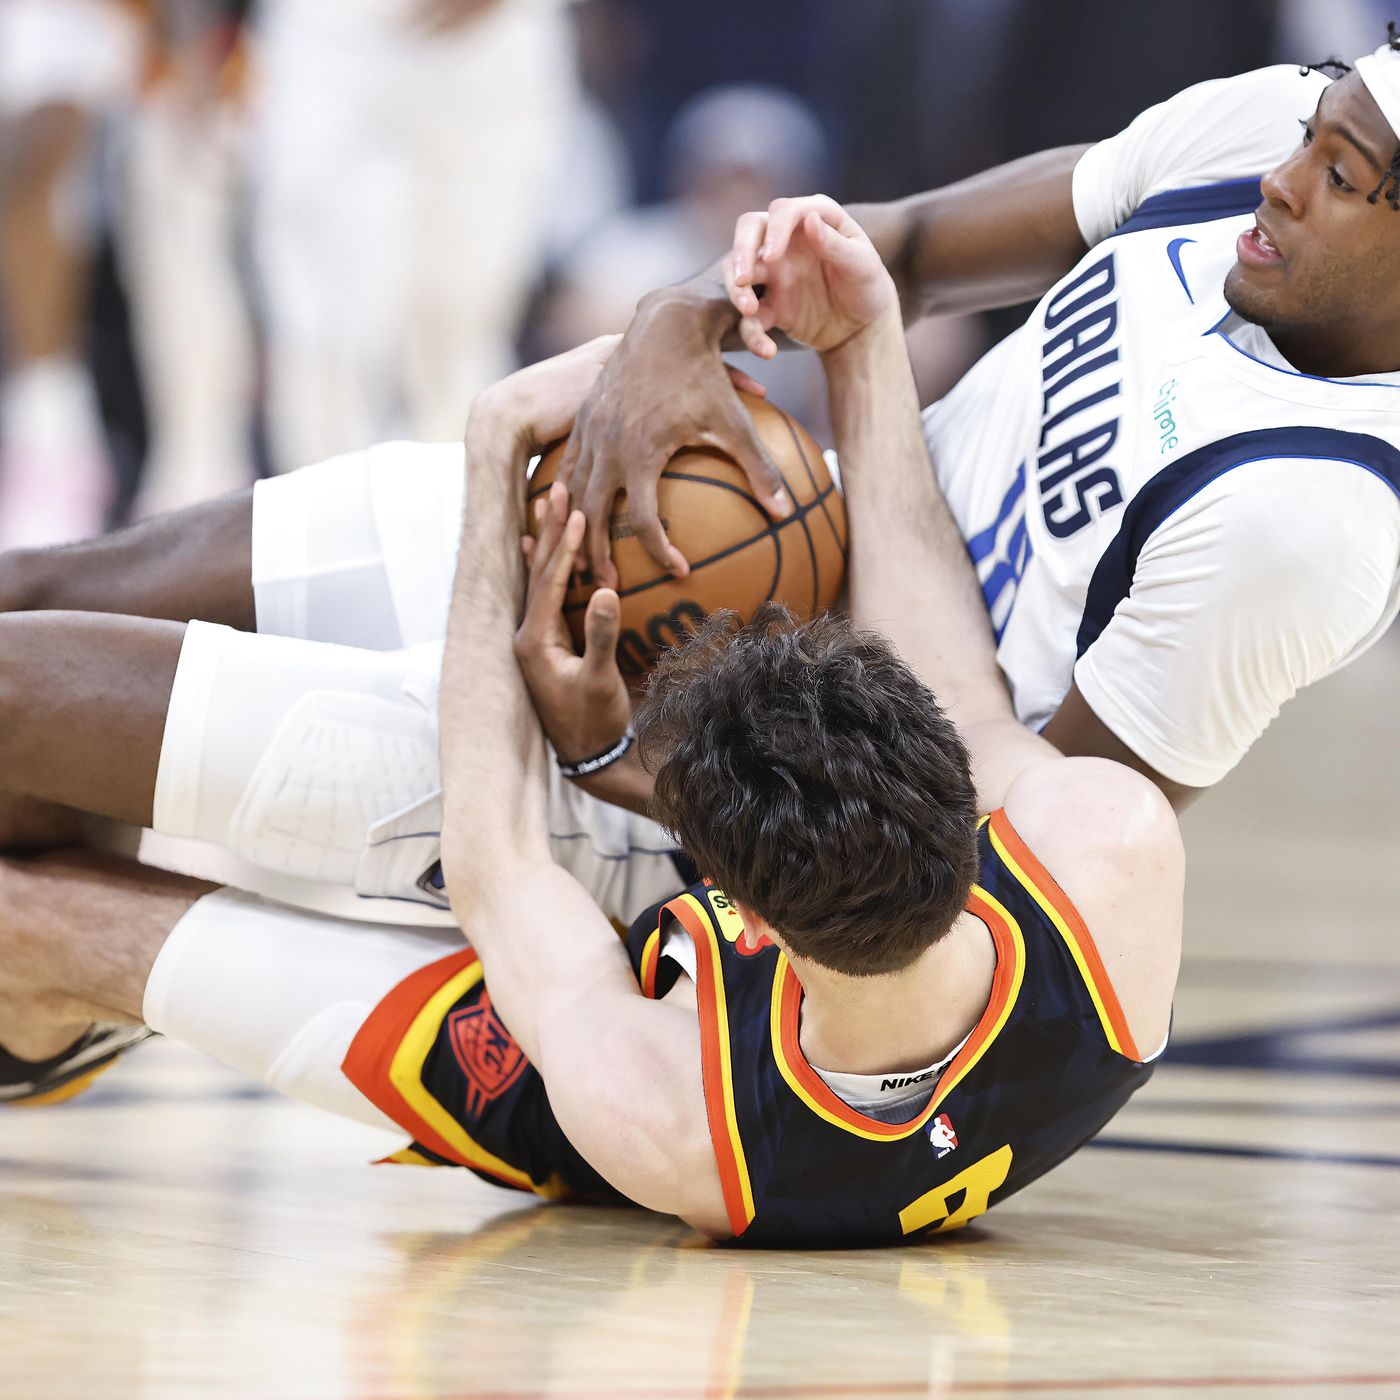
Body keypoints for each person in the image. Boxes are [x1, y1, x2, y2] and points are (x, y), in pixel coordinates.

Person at [0, 207, 1183, 1247]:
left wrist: (495, 459)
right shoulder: (1105, 851)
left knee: (27, 920)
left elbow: (495, 855)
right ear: (957, 806)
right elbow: (965, 693)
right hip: (750, 949)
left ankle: (52, 1011)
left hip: (556, 1062)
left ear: (742, 908)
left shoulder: (667, 1110)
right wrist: (865, 343)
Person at [554, 39, 1400, 808]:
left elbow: (1027, 861)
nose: (1280, 179)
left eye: (1338, 178)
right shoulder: (1261, 133)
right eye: (1307, 136)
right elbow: (911, 246)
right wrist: (685, 310)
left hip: (791, 808)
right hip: (760, 567)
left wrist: (621, 768)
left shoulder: (1309, 522)